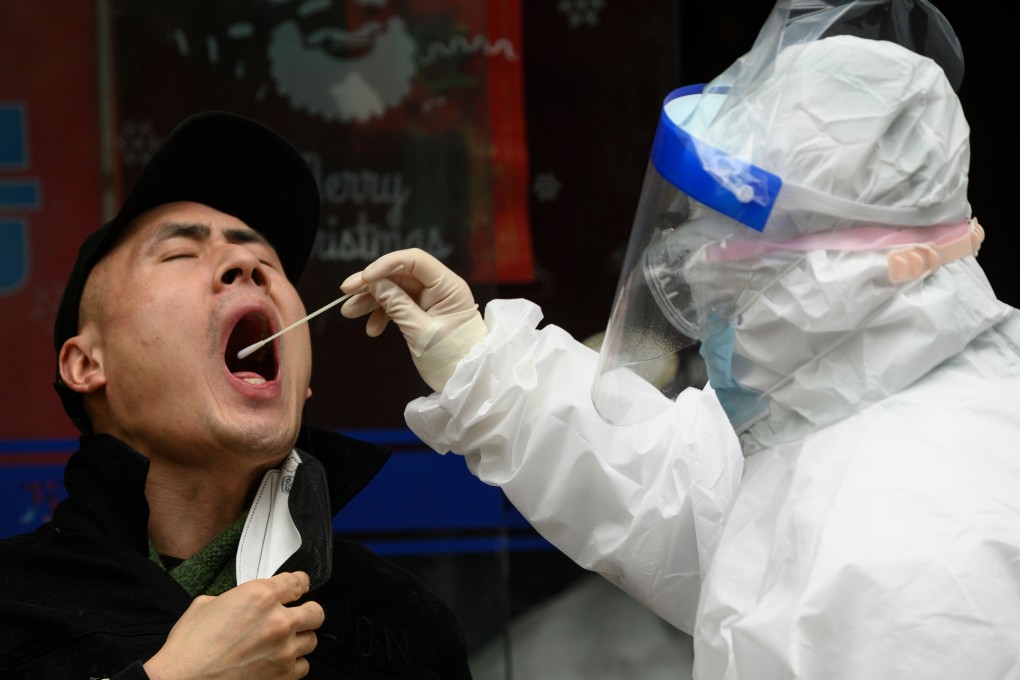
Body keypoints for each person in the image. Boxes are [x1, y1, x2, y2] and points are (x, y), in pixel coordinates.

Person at [338, 1, 1020, 678]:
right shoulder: (848, 412)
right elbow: (685, 501)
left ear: (854, 266)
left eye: (734, 244)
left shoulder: (919, 546)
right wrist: (484, 363)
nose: (696, 266)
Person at [0, 111, 472, 679]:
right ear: (85, 364)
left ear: (302, 383)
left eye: (265, 261)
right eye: (180, 254)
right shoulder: (13, 603)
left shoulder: (404, 626)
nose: (245, 263)